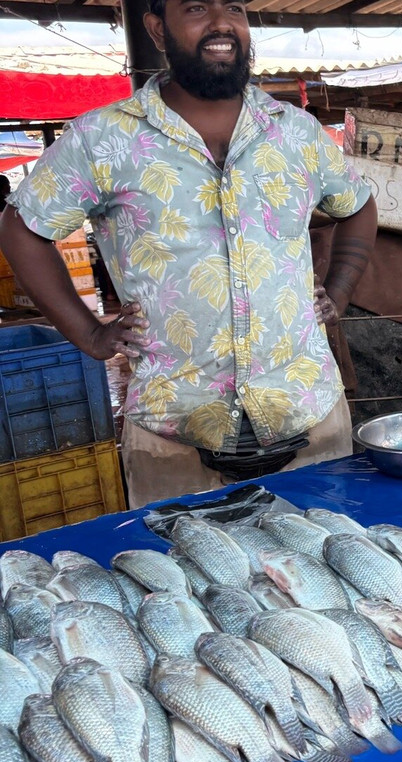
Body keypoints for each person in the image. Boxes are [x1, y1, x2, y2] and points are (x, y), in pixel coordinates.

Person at [0, 0, 378, 508]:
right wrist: (89, 333)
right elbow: (22, 226)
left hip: (309, 417)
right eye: (197, 7)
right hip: (172, 437)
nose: (222, 23)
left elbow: (357, 205)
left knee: (326, 572)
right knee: (186, 579)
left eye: (235, 9)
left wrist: (338, 292)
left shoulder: (296, 132)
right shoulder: (103, 137)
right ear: (157, 29)